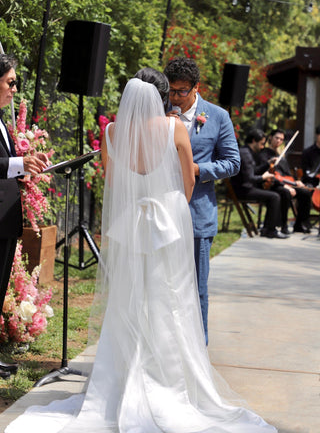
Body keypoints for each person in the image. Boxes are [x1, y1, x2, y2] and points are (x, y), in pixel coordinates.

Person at [6, 69, 277, 433]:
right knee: (170, 300)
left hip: (130, 225)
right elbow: (188, 178)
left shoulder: (111, 132)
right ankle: (168, 381)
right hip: (167, 224)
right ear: (162, 96)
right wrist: (174, 210)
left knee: (130, 299)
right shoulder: (174, 129)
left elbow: (113, 179)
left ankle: (120, 382)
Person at [164, 57, 240, 345]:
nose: (174, 97)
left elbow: (232, 163)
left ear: (196, 87)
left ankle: (198, 348)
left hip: (198, 214)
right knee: (164, 286)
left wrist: (197, 169)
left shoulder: (217, 116)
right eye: (170, 91)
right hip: (162, 212)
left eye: (181, 91)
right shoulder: (160, 112)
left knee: (196, 288)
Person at [0, 54, 49, 379]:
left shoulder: (2, 121)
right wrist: (20, 165)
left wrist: (27, 161)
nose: (14, 89)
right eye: (10, 82)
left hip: (4, 221)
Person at [231, 128, 289, 239]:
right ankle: (269, 230)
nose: (263, 147)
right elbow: (250, 178)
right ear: (254, 141)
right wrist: (264, 177)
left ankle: (267, 228)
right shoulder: (245, 154)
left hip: (246, 187)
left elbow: (253, 171)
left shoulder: (247, 151)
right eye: (262, 144)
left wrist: (267, 164)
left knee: (275, 194)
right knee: (274, 196)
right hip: (243, 190)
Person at [258, 129, 312, 234]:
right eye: (276, 138)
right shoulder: (264, 154)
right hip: (272, 185)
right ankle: (284, 225)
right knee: (285, 193)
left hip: (286, 184)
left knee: (305, 193)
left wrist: (296, 182)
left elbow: (287, 175)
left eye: (281, 139)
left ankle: (300, 225)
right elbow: (271, 175)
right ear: (270, 138)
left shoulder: (281, 157)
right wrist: (285, 186)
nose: (279, 141)